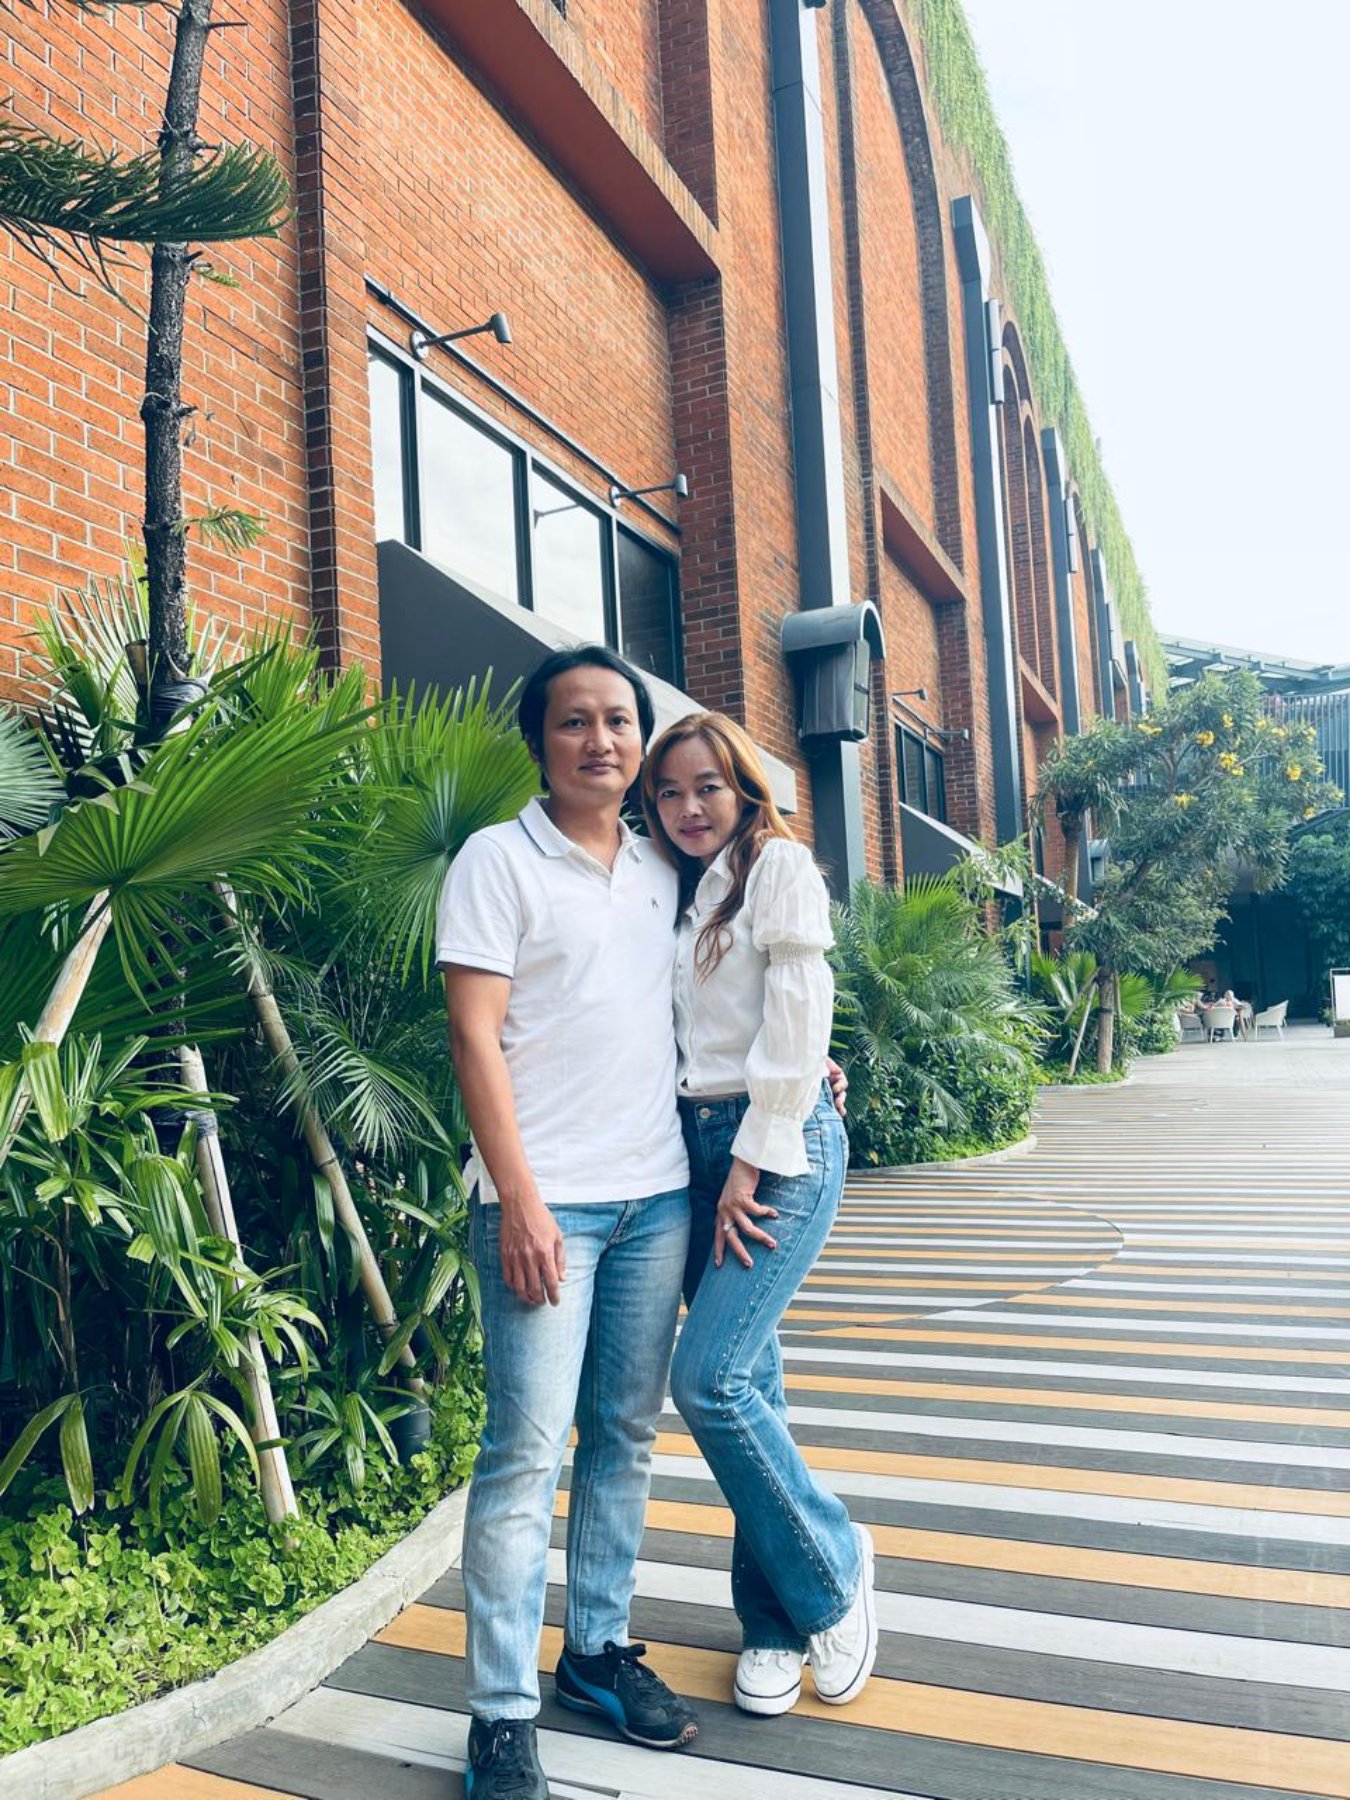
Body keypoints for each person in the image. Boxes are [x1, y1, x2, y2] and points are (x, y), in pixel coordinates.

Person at [438, 647, 698, 1800]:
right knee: (524, 1454)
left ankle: (595, 1650)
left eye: (619, 721)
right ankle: (500, 1717)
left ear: (641, 738)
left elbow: (717, 993)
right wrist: (521, 1201)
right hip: (548, 1208)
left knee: (625, 1436)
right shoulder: (497, 861)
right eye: (575, 722)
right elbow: (472, 1037)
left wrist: (808, 1061)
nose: (601, 740)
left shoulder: (661, 865)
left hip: (658, 1200)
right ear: (539, 742)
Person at [643, 712, 878, 1720]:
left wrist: (750, 1158)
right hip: (694, 1146)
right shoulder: (678, 892)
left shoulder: (776, 865)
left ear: (744, 785)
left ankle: (833, 1568)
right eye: (669, 791)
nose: (689, 806)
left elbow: (798, 1006)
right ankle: (772, 1623)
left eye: (707, 785)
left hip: (775, 1148)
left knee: (711, 1378)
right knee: (756, 1391)